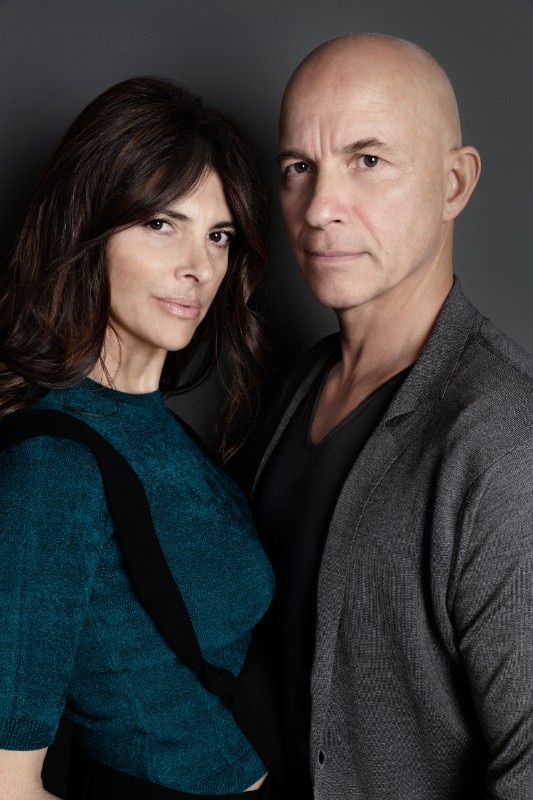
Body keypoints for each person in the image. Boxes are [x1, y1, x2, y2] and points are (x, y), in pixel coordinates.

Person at [248, 33, 533, 799]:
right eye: (297, 168)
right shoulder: (299, 384)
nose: (318, 209)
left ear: (453, 182)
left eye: (366, 160)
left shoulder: (505, 443)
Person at [0, 76, 282, 799]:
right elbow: (7, 784)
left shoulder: (164, 434)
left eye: (218, 235)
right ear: (88, 230)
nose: (199, 265)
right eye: (161, 223)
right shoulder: (52, 463)